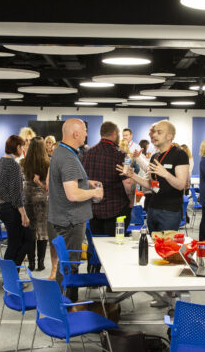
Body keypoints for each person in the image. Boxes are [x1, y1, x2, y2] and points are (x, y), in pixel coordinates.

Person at [48, 118, 103, 302]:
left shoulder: (61, 152)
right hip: (70, 221)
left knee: (67, 265)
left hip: (63, 218)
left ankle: (62, 303)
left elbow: (61, 185)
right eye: (85, 131)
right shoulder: (69, 158)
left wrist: (87, 184)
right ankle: (65, 307)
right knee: (69, 267)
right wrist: (94, 192)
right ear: (75, 133)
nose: (87, 134)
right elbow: (72, 194)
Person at [118, 120, 189, 233]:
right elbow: (150, 185)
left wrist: (166, 174)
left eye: (159, 132)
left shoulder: (179, 155)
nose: (154, 135)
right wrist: (132, 175)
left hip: (170, 211)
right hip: (153, 208)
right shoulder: (155, 156)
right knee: (152, 246)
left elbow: (181, 185)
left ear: (169, 136)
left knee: (165, 248)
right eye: (154, 132)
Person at [81, 121, 133, 236]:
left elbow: (83, 180)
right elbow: (128, 183)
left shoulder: (88, 153)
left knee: (97, 245)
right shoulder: (121, 155)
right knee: (115, 246)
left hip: (93, 209)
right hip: (116, 208)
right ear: (114, 133)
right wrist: (131, 201)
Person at [0, 135, 33, 267]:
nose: (22, 149)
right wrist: (24, 214)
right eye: (22, 146)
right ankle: (10, 277)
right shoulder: (13, 165)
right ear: (17, 147)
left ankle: (12, 275)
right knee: (20, 241)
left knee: (19, 241)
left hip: (1, 207)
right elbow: (16, 193)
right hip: (11, 208)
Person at [21, 137, 50, 272]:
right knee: (42, 231)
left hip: (27, 197)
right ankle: (41, 263)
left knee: (30, 230)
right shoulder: (47, 162)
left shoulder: (23, 162)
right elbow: (48, 187)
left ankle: (31, 263)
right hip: (41, 198)